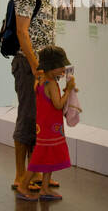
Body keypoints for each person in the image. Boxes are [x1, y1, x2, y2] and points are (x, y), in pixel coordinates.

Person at [12, 0, 63, 196]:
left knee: (39, 120)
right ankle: (20, 174)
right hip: (28, 65)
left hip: (43, 67)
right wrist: (35, 66)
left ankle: (36, 172)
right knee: (27, 117)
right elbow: (22, 32)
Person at [18, 45, 75, 201]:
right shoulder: (51, 84)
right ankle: (23, 185)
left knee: (47, 156)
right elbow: (58, 104)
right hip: (51, 128)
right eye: (60, 66)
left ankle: (44, 188)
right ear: (51, 67)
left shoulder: (41, 81)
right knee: (39, 157)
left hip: (43, 125)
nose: (63, 69)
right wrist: (68, 90)